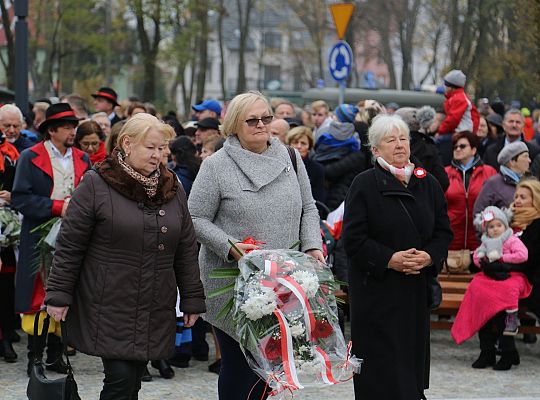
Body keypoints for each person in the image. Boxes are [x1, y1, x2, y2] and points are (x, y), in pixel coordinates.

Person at [44, 113, 206, 399]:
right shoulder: (96, 183)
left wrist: (192, 298)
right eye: (151, 147)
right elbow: (70, 244)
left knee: (133, 381)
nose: (158, 155)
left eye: (162, 148)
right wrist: (58, 294)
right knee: (119, 379)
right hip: (109, 299)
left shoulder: (172, 186)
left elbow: (185, 247)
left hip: (155, 301)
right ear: (127, 144)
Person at [188, 91, 323, 400]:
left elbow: (309, 208)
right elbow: (194, 217)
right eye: (253, 120)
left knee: (270, 363)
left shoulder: (290, 157)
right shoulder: (216, 166)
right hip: (232, 283)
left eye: (267, 117)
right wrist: (229, 245)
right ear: (235, 125)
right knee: (240, 365)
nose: (262, 125)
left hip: (283, 279)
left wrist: (313, 246)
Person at [342, 114, 453, 399]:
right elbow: (352, 240)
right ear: (376, 150)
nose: (400, 145)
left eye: (403, 138)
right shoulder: (364, 184)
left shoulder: (427, 183)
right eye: (391, 140)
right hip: (376, 294)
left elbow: (443, 233)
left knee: (409, 370)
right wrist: (390, 259)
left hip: (414, 292)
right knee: (380, 374)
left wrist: (429, 257)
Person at [11, 103, 92, 376]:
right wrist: (57, 207)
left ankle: (56, 355)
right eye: (68, 127)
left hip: (74, 237)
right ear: (52, 130)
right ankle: (35, 357)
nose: (73, 131)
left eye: (74, 126)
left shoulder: (83, 159)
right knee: (38, 296)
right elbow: (21, 198)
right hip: (39, 237)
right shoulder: (29, 156)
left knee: (66, 290)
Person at [451, 206, 531, 371]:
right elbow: (477, 256)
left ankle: (508, 348)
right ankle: (487, 351)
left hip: (510, 275)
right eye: (491, 227)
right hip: (490, 277)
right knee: (477, 289)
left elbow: (523, 255)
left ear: (505, 225)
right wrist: (482, 260)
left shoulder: (511, 239)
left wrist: (502, 258)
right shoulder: (486, 241)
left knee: (505, 295)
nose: (495, 229)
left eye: (498, 225)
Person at [445, 132, 497, 256]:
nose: (457, 149)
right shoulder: (444, 173)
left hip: (481, 241)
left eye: (462, 146)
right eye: (455, 147)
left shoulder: (489, 172)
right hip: (452, 240)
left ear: (473, 150)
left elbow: (495, 205)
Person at [512, 179, 540, 342]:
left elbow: (531, 260)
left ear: (535, 200)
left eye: (523, 197)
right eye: (516, 197)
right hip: (510, 279)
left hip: (533, 282)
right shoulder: (505, 221)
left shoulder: (536, 225)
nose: (517, 201)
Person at [0, 135, 19, 363]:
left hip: (5, 227)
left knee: (5, 288)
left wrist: (12, 197)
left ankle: (5, 336)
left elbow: (21, 188)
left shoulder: (12, 154)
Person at [474, 141, 531, 216]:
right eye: (525, 156)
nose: (529, 160)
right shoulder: (493, 183)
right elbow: (478, 214)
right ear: (512, 161)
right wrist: (499, 223)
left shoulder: (530, 181)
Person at [286, 126, 326, 203]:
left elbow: (318, 199)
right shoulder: (280, 164)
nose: (299, 146)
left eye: (303, 143)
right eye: (295, 142)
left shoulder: (317, 169)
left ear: (309, 148)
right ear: (289, 145)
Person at [438, 69, 479, 135]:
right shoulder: (458, 97)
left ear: (452, 87)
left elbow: (453, 119)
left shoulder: (459, 99)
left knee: (438, 141)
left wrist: (440, 131)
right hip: (461, 132)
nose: (445, 87)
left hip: (463, 133)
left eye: (446, 85)